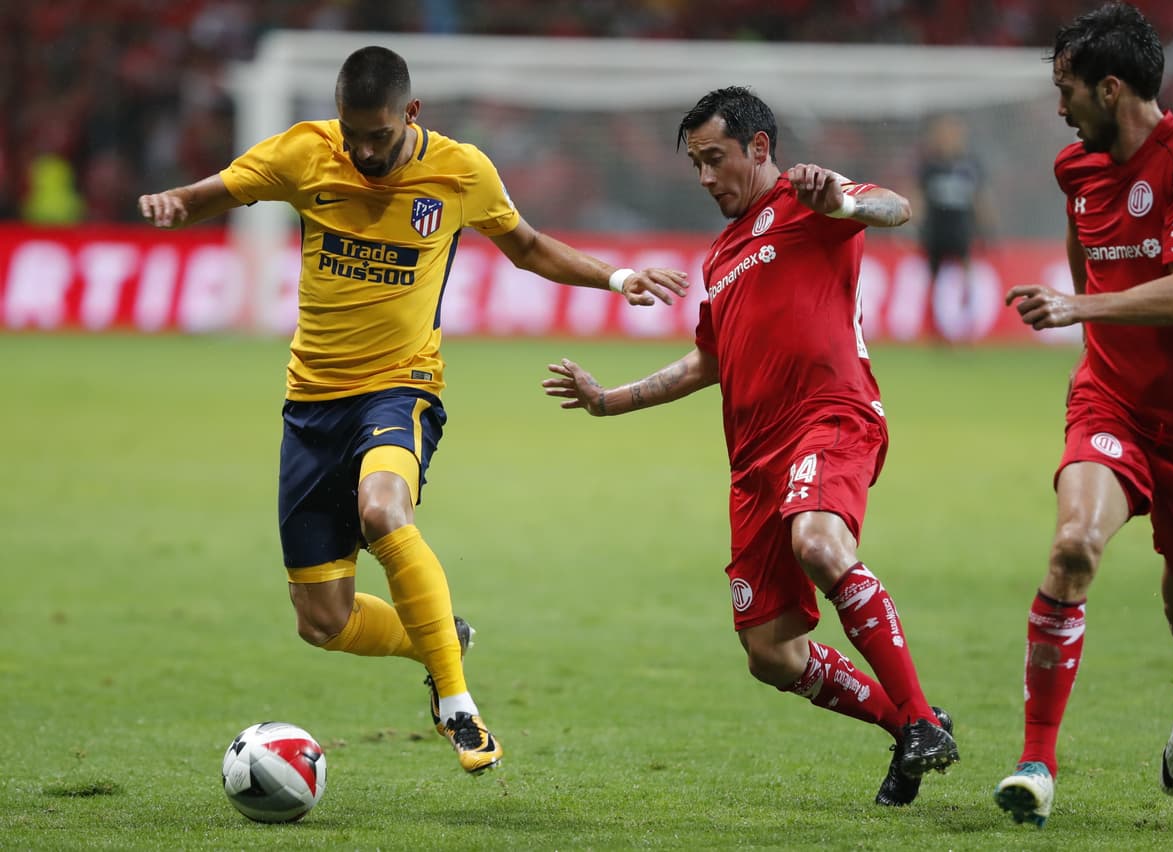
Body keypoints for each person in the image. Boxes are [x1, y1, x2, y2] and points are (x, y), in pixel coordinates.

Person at [137, 46, 688, 776]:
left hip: (402, 387)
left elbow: (525, 247)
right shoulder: (306, 152)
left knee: (384, 510)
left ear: (412, 114)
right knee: (323, 623)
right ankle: (440, 639)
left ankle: (456, 705)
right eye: (353, 134)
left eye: (380, 135)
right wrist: (178, 201)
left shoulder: (460, 170)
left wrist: (616, 277)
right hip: (311, 404)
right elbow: (220, 190)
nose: (365, 150)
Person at [542, 86, 959, 807]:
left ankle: (921, 717)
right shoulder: (722, 255)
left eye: (715, 159)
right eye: (696, 164)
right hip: (755, 463)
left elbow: (897, 206)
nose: (706, 178)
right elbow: (709, 361)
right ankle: (907, 726)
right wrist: (610, 400)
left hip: (830, 418)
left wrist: (844, 202)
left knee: (822, 545)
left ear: (759, 148)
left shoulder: (811, 205)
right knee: (771, 655)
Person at [993, 3, 1173, 828]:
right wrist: (1085, 315)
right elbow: (1089, 258)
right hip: (1110, 398)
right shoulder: (1076, 170)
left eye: (1067, 88)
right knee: (1073, 546)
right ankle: (1037, 763)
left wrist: (1078, 304)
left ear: (1112, 88)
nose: (1061, 105)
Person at [916, 114, 990, 341]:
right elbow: (918, 197)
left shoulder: (970, 166)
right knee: (934, 281)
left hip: (961, 230)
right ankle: (935, 328)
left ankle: (969, 325)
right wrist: (913, 224)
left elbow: (979, 199)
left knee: (966, 277)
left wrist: (986, 228)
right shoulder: (930, 166)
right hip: (935, 231)